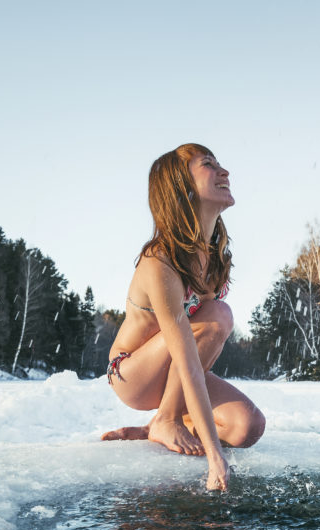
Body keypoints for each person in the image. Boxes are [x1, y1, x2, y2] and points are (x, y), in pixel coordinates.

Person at [101, 143, 265, 490]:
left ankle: (158, 425)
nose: (225, 172)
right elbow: (188, 357)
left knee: (247, 427)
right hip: (132, 373)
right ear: (183, 189)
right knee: (217, 315)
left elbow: (194, 359)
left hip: (178, 369)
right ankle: (167, 418)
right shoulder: (159, 262)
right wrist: (214, 457)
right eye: (209, 165)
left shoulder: (215, 257)